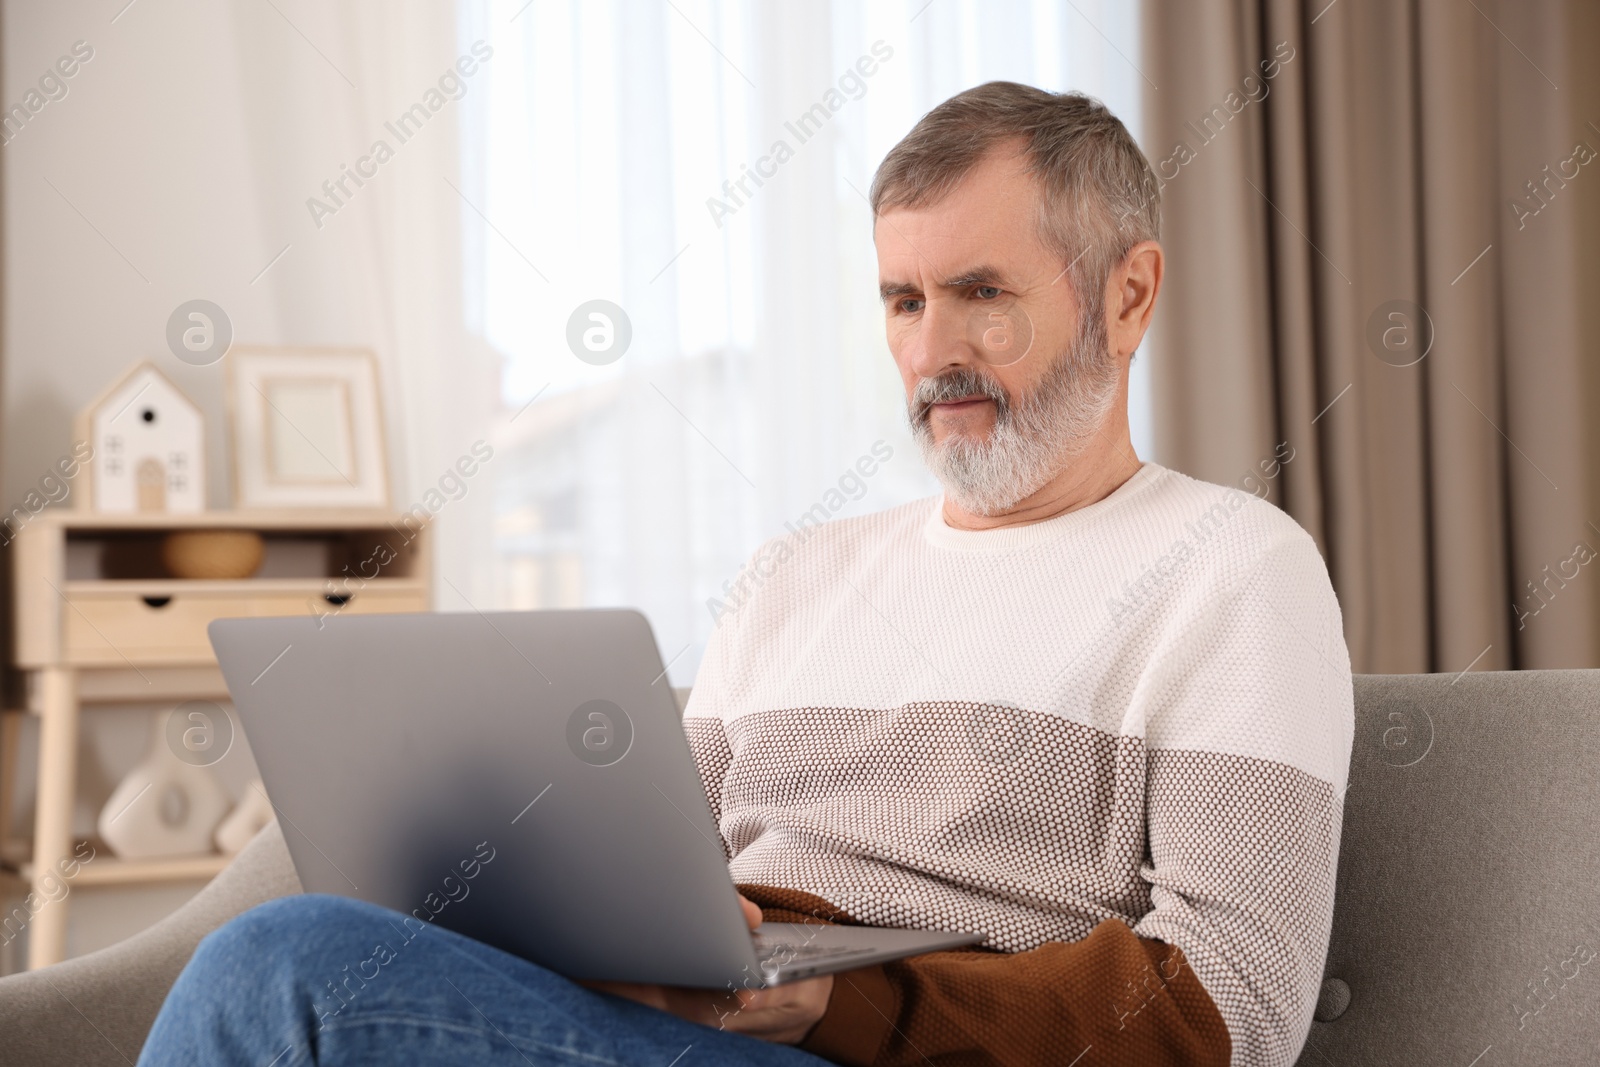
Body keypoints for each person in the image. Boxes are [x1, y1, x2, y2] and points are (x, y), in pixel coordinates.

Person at [140, 81, 1352, 1067]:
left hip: (888, 1053)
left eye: (982, 295)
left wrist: (844, 1005)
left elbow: (1226, 1009)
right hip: (695, 1032)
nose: (930, 352)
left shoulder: (1232, 569)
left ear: (1127, 295)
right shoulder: (793, 573)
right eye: (902, 298)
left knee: (279, 971)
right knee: (318, 948)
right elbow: (670, 882)